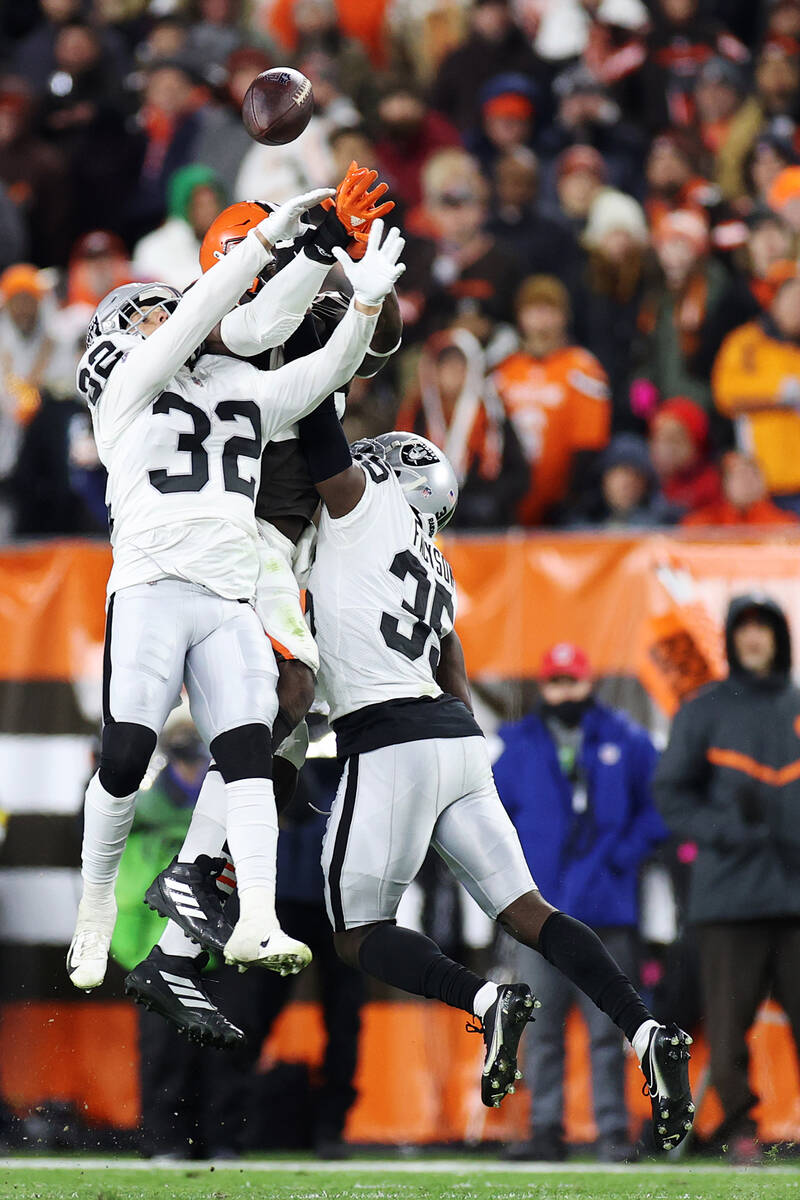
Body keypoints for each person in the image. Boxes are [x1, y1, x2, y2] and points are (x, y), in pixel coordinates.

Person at [152, 425, 696, 1150]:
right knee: (529, 910)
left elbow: (321, 440)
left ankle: (485, 998)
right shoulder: (431, 558)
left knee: (356, 935)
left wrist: (317, 340)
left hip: (390, 739)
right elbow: (454, 665)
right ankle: (645, 1027)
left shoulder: (363, 507)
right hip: (457, 741)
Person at [65, 194, 404, 992]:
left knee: (250, 752)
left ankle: (255, 917)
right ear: (116, 336)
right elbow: (202, 318)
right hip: (151, 585)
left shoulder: (233, 388)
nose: (164, 315)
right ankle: (94, 906)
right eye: (146, 310)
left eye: (161, 305)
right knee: (125, 755)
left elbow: (318, 370)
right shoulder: (127, 391)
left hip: (225, 594)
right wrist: (281, 233)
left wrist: (358, 297)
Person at [494, 643, 667, 1161]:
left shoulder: (626, 740)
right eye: (555, 683)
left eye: (572, 682)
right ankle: (545, 1130)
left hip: (606, 912)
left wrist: (620, 863)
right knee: (540, 1030)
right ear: (542, 687)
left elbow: (656, 812)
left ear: (587, 682)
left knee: (608, 1030)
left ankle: (612, 1130)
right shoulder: (519, 746)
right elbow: (492, 820)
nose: (564, 692)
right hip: (539, 915)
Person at [654, 595, 800, 1164]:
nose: (756, 638)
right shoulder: (703, 710)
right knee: (728, 1022)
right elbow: (671, 793)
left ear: (780, 637)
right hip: (728, 898)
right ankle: (740, 1130)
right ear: (733, 639)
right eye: (746, 628)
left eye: (766, 628)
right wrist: (726, 829)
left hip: (794, 894)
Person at [491, 274, 610, 526]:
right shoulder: (504, 371)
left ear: (564, 316)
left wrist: (570, 498)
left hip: (562, 507)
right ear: (520, 317)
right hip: (509, 505)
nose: (542, 320)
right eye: (533, 310)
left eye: (549, 310)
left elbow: (589, 444)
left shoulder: (583, 368)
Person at [713, 271, 800, 512]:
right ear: (776, 301)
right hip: (764, 482)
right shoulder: (746, 342)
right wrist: (781, 391)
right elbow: (727, 393)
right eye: (792, 299)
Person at [132, 164, 227, 290]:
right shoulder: (151, 248)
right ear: (183, 206)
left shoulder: (228, 240)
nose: (210, 211)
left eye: (213, 202)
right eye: (200, 205)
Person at [682, 452, 800, 527]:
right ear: (724, 484)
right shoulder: (705, 524)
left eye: (753, 474)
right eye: (739, 475)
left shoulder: (786, 525)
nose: (747, 481)